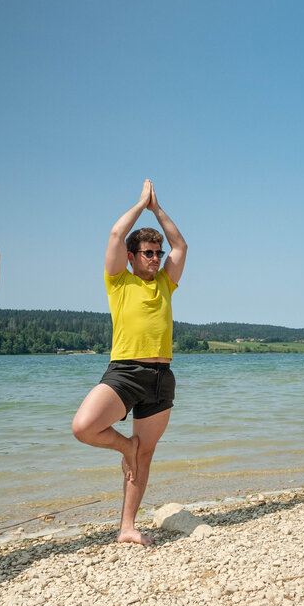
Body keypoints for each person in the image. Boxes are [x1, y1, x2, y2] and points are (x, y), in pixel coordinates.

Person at [72, 179, 188, 545]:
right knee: (84, 426)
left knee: (146, 455)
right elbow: (115, 233)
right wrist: (141, 204)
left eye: (157, 252)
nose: (155, 258)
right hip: (125, 372)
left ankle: (127, 527)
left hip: (161, 376)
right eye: (148, 253)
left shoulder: (166, 283)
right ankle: (125, 447)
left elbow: (181, 245)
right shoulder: (118, 282)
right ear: (132, 256)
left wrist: (159, 209)